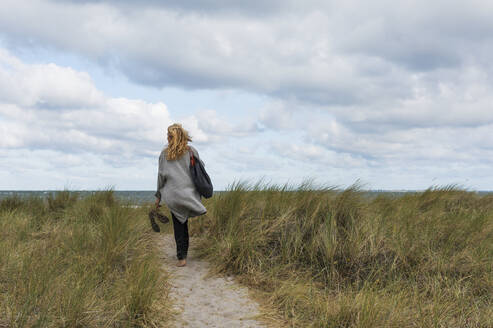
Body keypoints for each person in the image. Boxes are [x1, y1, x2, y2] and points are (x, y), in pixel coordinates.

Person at [155, 123, 207, 267]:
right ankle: (183, 254)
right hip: (189, 194)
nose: (167, 137)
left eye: (169, 135)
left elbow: (161, 176)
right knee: (183, 223)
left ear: (174, 136)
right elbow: (201, 167)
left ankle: (181, 257)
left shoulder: (164, 153)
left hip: (173, 195)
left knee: (179, 224)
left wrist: (158, 195)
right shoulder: (191, 151)